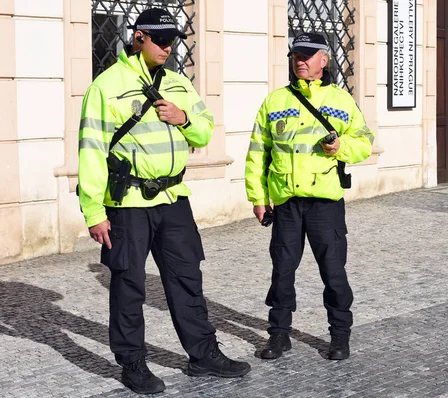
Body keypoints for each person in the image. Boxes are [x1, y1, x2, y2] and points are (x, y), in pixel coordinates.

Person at [78, 8, 250, 394]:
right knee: (129, 285)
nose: (168, 47)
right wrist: (93, 211)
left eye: (172, 39)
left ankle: (203, 355)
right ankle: (133, 364)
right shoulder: (105, 87)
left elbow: (205, 133)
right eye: (160, 39)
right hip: (126, 203)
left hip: (173, 197)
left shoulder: (178, 84)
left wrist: (183, 117)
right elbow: (90, 151)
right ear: (139, 36)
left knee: (187, 278)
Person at [244, 32, 374, 361]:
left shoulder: (342, 101)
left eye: (306, 55)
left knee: (333, 271)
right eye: (295, 56)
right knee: (282, 271)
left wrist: (340, 147)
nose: (299, 61)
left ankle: (340, 335)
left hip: (324, 203)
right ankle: (279, 335)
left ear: (323, 60)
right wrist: (258, 198)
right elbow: (257, 153)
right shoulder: (275, 101)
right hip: (286, 202)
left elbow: (365, 142)